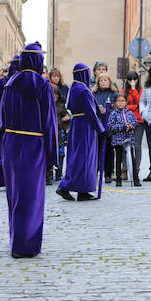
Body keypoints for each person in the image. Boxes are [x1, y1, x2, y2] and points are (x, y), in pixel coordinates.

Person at [0, 43, 58, 258]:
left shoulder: (9, 83)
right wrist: (53, 153)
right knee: (32, 196)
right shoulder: (43, 85)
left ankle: (16, 242)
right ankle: (28, 245)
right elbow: (49, 121)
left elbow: (1, 120)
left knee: (15, 194)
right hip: (34, 144)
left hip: (12, 143)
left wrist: (0, 147)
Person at [57, 63, 104, 201]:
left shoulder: (74, 87)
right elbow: (90, 112)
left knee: (79, 157)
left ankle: (83, 190)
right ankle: (65, 187)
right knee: (84, 158)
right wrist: (101, 129)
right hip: (85, 127)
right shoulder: (83, 89)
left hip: (77, 125)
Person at [0, 57, 19, 193]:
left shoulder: (23, 81)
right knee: (0, 152)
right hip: (4, 121)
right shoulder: (3, 82)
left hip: (18, 122)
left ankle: (14, 181)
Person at [107, 92, 140, 187]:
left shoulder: (129, 113)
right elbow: (111, 126)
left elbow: (135, 122)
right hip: (118, 140)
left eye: (123, 101)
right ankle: (118, 179)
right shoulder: (113, 114)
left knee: (132, 160)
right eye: (119, 101)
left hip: (129, 140)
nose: (121, 103)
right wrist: (123, 126)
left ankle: (135, 179)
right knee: (118, 160)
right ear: (115, 102)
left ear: (126, 102)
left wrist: (131, 126)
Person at [92, 73, 118, 183]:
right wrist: (99, 110)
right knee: (96, 150)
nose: (103, 82)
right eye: (101, 80)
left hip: (109, 125)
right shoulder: (94, 93)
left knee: (108, 150)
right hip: (97, 125)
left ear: (109, 82)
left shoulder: (114, 94)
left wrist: (108, 111)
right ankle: (95, 172)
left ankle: (108, 173)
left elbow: (117, 108)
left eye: (105, 80)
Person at [124, 71, 144, 180]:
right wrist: (134, 107)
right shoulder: (123, 92)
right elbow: (124, 106)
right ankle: (125, 169)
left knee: (137, 146)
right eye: (130, 80)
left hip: (139, 122)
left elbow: (140, 102)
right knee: (125, 145)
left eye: (134, 79)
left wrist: (133, 90)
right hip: (126, 122)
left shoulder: (141, 91)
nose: (132, 82)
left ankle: (136, 169)